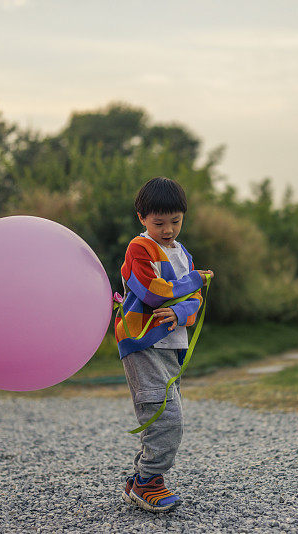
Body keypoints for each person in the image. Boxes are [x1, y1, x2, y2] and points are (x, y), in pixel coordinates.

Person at [114, 176, 213, 513]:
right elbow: (153, 290)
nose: (168, 229)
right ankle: (148, 482)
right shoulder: (139, 248)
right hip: (143, 342)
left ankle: (141, 478)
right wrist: (194, 279)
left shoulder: (181, 251)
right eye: (159, 222)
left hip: (172, 344)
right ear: (142, 218)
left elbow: (195, 300)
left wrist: (184, 303)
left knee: (167, 410)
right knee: (165, 414)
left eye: (176, 221)